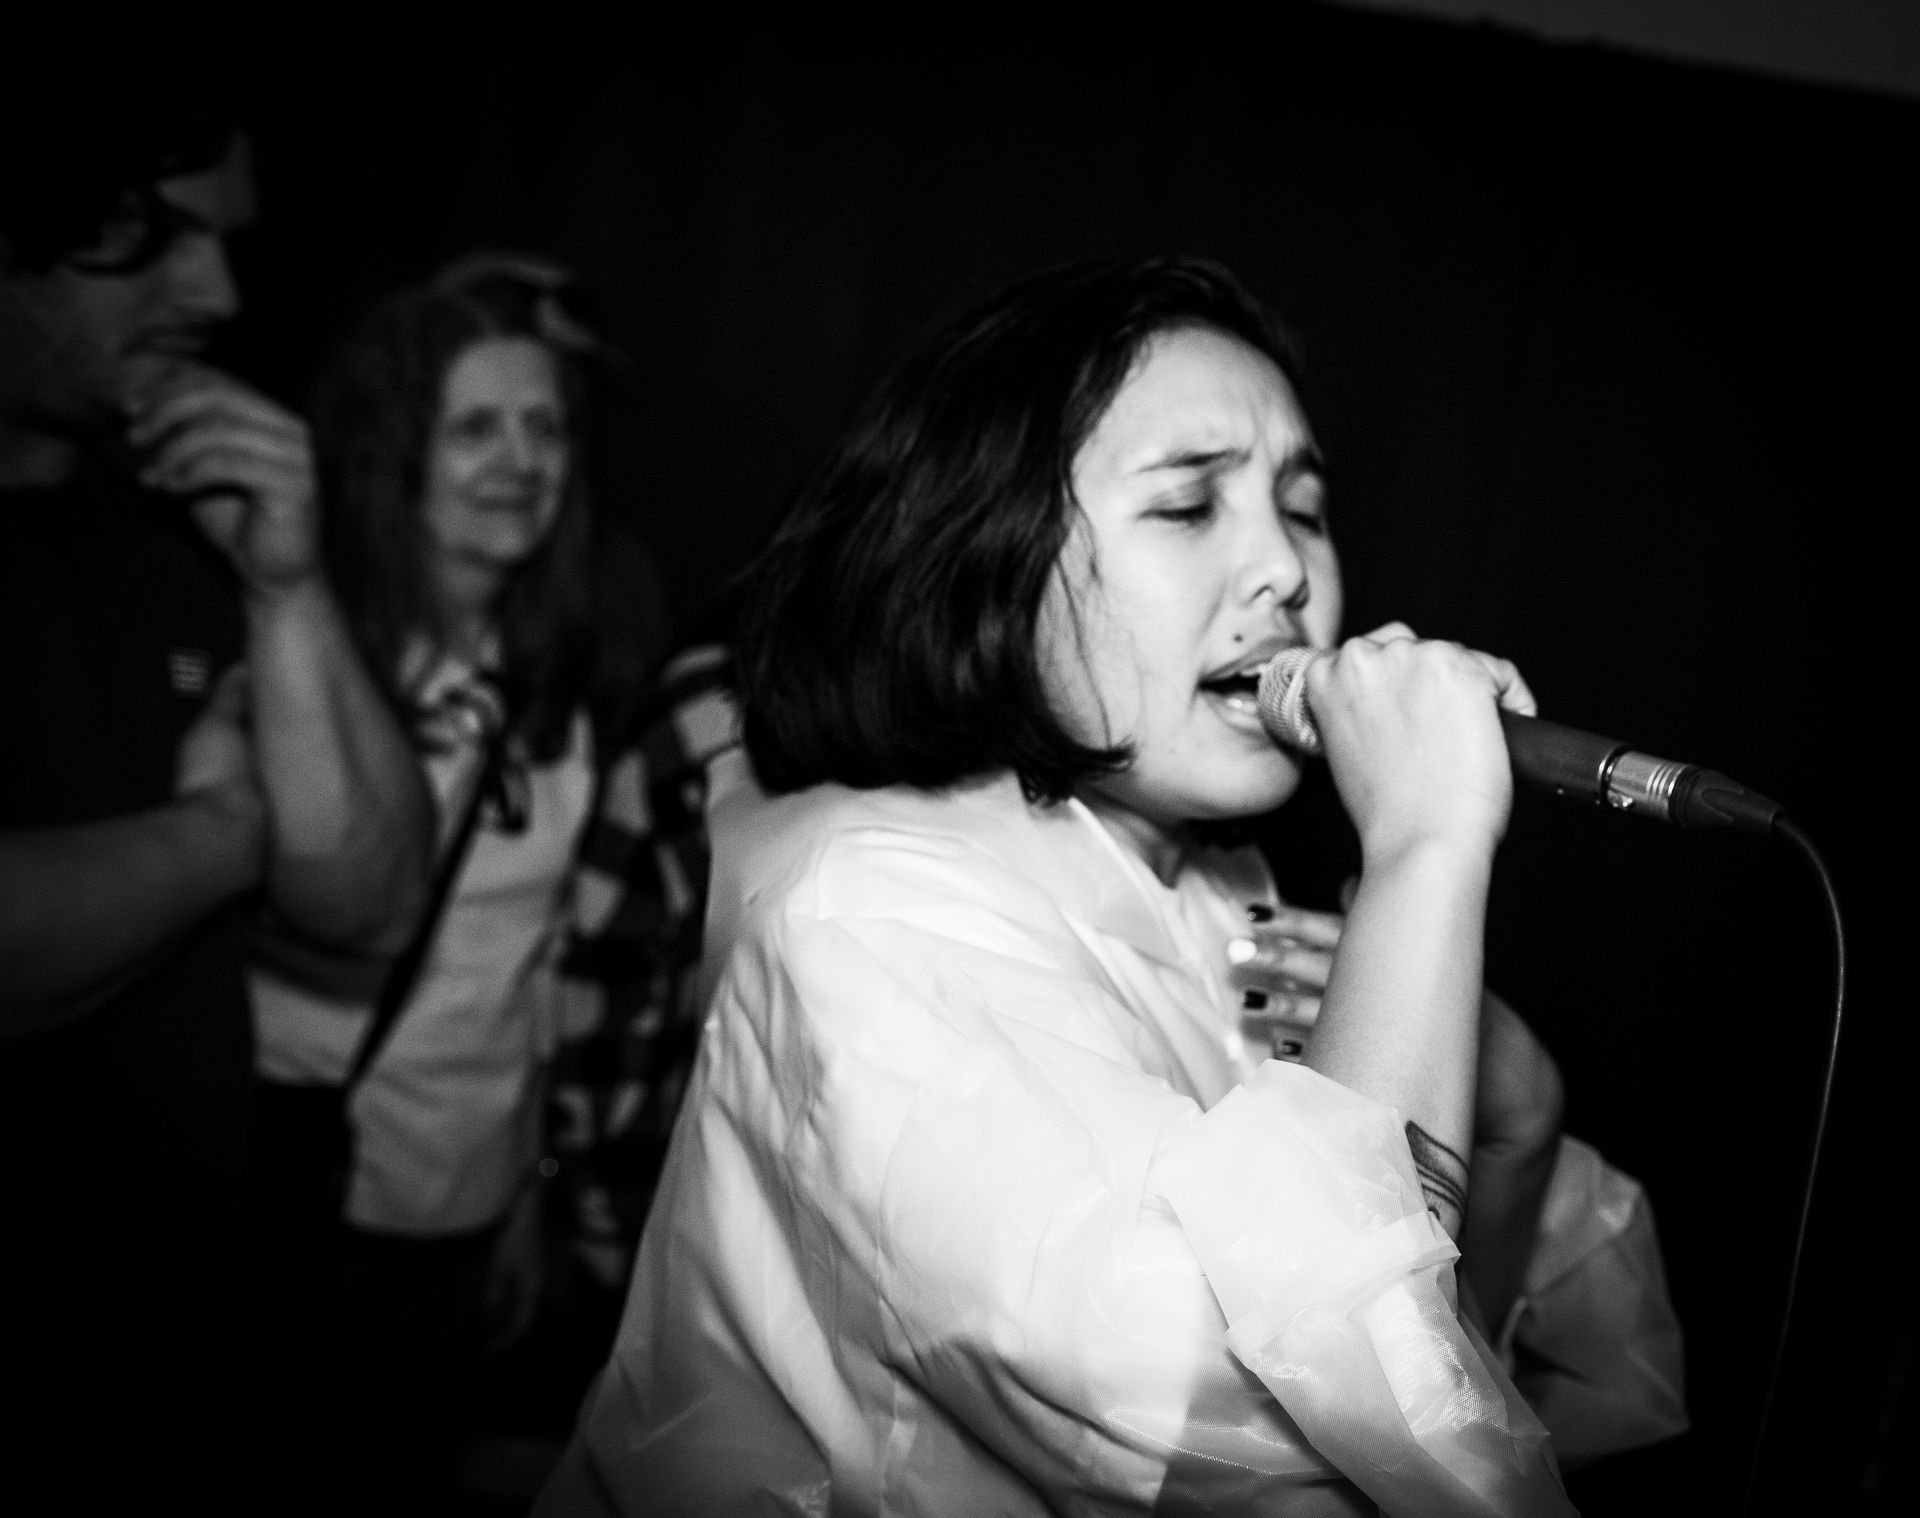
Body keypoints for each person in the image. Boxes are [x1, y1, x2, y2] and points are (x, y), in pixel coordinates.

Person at [539, 257, 1687, 1516]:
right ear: (989, 553)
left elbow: (1450, 1385)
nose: (1287, 574)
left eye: (1304, 508)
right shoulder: (866, 922)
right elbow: (1299, 1422)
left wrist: (1513, 1128)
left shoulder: (1212, 891)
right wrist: (1424, 855)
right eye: (1191, 507)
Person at [0, 82, 433, 1505]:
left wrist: (290, 584)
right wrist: (227, 829)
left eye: (229, 239)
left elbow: (366, 899)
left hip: (162, 1346)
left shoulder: (174, 513)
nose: (218, 287)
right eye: (150, 236)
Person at [243, 253, 670, 1504]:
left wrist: (529, 1193)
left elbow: (543, 958)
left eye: (544, 428)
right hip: (302, 1174)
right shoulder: (310, 656)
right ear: (394, 449)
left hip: (466, 1186)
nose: (519, 459)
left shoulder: (571, 659)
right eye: (474, 426)